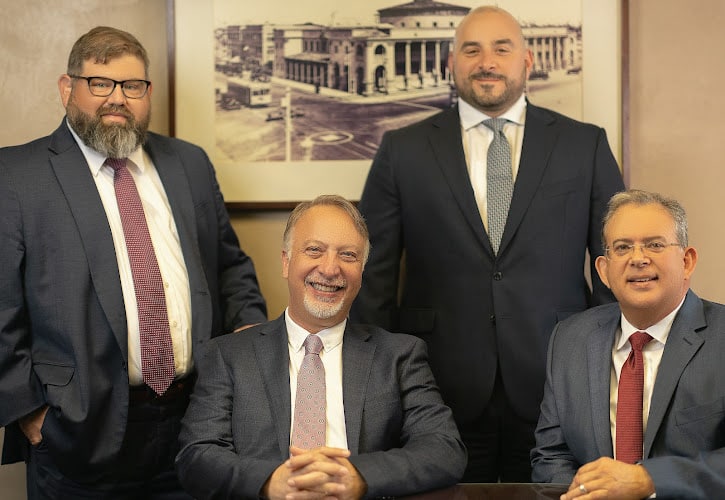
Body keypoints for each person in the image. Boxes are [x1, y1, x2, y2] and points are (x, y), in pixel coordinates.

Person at [350, 5, 625, 482]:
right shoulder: (402, 150)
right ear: (451, 63)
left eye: (502, 48)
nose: (487, 62)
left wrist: (609, 365)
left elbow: (614, 264)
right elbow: (372, 275)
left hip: (558, 380)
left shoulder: (585, 145)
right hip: (435, 388)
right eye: (471, 50)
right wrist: (376, 381)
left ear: (527, 61)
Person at [0, 26, 267, 498]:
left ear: (148, 92)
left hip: (197, 426)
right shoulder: (17, 175)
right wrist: (31, 412)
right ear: (67, 88)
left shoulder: (189, 164)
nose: (117, 99)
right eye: (100, 83)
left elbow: (229, 266)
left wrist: (250, 336)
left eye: (132, 86)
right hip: (78, 433)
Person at [175, 195, 466, 499]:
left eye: (348, 255)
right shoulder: (228, 355)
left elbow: (444, 449)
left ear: (362, 271)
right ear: (286, 261)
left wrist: (358, 477)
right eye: (314, 250)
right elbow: (197, 457)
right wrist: (271, 482)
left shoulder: (399, 356)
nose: (329, 269)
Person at [531, 190, 725, 499]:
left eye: (655, 244)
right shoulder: (569, 340)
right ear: (603, 271)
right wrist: (581, 493)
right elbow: (552, 454)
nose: (638, 259)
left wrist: (649, 480)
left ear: (687, 261)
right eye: (622, 247)